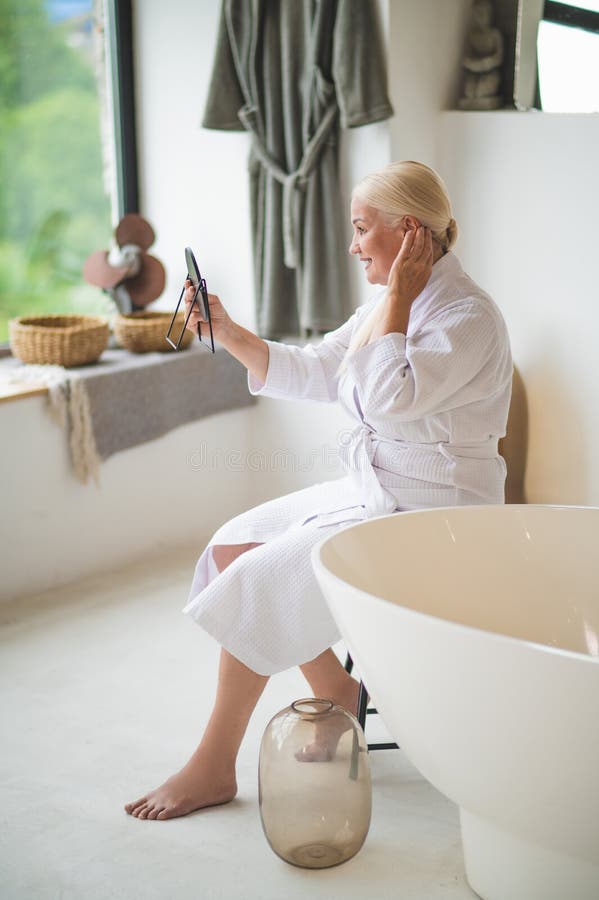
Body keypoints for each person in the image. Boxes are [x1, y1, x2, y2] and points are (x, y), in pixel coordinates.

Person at [125, 160, 513, 821]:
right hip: (379, 492)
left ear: (410, 233)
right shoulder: (389, 303)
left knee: (255, 576)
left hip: (437, 519)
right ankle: (336, 697)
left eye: (363, 229)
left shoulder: (466, 317)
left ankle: (214, 764)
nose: (355, 244)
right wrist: (227, 329)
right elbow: (319, 370)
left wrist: (396, 298)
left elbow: (389, 399)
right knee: (230, 547)